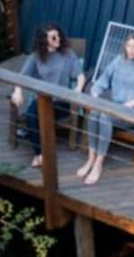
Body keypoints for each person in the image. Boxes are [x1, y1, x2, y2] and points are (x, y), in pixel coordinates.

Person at [80, 32, 134, 186]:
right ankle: (90, 159)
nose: (131, 50)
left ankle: (98, 163)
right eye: (129, 46)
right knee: (94, 113)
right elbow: (102, 80)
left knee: (104, 117)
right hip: (114, 106)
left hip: (131, 112)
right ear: (125, 46)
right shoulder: (119, 60)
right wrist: (95, 94)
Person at [11, 22, 85, 168]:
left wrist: (78, 88)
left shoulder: (67, 53)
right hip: (43, 99)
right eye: (53, 37)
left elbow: (80, 75)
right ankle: (41, 155)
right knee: (33, 114)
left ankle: (39, 155)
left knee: (35, 113)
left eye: (58, 35)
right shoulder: (36, 57)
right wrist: (18, 91)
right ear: (44, 40)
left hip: (62, 101)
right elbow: (21, 77)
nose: (58, 39)